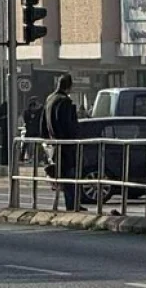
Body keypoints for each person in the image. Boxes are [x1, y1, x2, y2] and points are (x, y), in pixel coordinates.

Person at [42, 74, 83, 211]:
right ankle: (72, 205)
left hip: (53, 143)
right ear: (69, 86)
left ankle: (70, 204)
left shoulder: (49, 99)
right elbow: (68, 124)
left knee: (61, 176)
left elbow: (43, 123)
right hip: (66, 145)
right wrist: (74, 138)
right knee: (70, 176)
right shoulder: (65, 101)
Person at [22, 97, 43, 162]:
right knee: (26, 145)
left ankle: (39, 158)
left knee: (38, 144)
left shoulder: (38, 111)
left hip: (34, 130)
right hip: (32, 130)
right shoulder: (27, 112)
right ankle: (23, 157)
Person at [0, 100, 9, 165]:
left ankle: (5, 160)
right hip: (5, 128)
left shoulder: (5, 106)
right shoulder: (5, 106)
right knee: (5, 144)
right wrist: (1, 123)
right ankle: (4, 160)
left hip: (5, 128)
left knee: (5, 144)